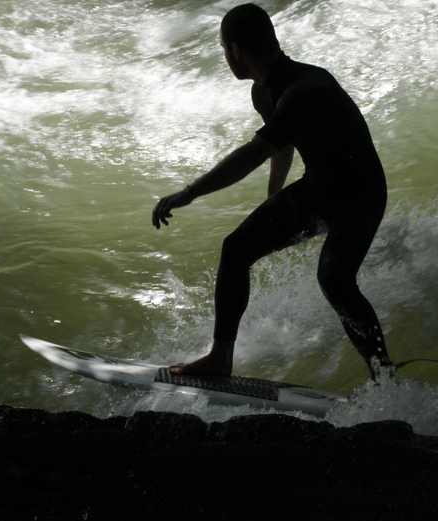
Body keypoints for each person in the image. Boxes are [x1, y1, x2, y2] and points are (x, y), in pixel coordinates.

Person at [152, 3, 393, 380]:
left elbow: (255, 151)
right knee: (237, 248)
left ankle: (384, 375)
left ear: (235, 50)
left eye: (222, 49)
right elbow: (282, 144)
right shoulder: (264, 92)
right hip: (320, 188)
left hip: (361, 195)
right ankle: (219, 357)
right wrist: (274, 198)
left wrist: (189, 193)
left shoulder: (308, 87)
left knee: (334, 278)